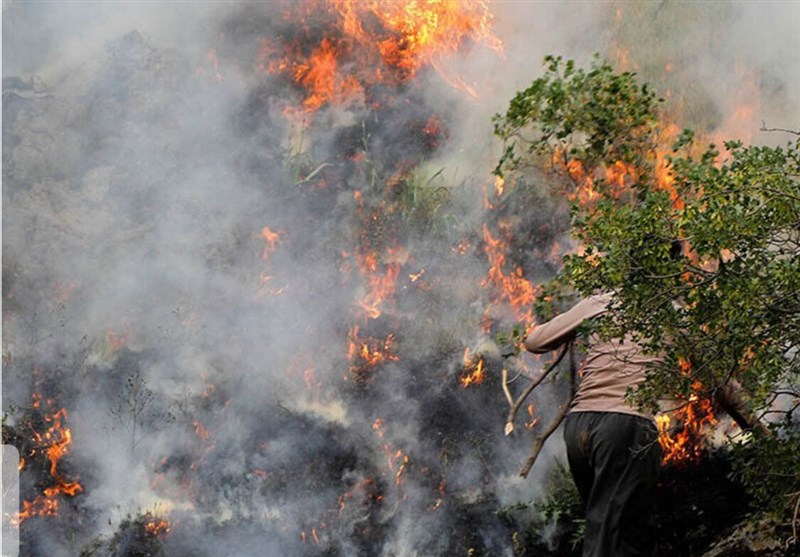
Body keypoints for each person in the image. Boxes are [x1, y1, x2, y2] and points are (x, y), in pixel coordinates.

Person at [524, 291, 661, 557]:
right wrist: (755, 427)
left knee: (611, 527)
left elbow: (534, 341)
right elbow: (721, 384)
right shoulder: (676, 316)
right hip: (625, 427)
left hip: (579, 427)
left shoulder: (600, 302)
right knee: (613, 540)